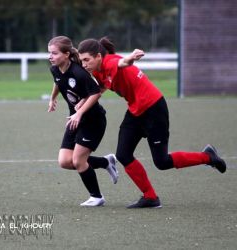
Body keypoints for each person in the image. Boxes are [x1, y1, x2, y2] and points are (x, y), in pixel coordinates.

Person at [77, 37, 227, 208]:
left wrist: (132, 56)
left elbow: (123, 63)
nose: (84, 64)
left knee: (162, 162)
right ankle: (150, 197)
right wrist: (85, 100)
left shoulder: (111, 61)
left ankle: (207, 157)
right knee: (123, 154)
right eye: (81, 61)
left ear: (98, 56)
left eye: (86, 60)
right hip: (135, 110)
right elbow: (104, 86)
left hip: (153, 108)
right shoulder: (97, 71)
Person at [47, 36, 118, 207]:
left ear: (66, 54)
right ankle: (105, 162)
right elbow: (58, 82)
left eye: (54, 53)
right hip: (75, 118)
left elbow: (95, 92)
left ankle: (97, 197)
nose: (50, 57)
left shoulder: (79, 72)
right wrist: (52, 98)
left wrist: (79, 114)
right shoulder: (55, 69)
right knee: (65, 161)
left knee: (78, 161)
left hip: (93, 120)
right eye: (49, 53)